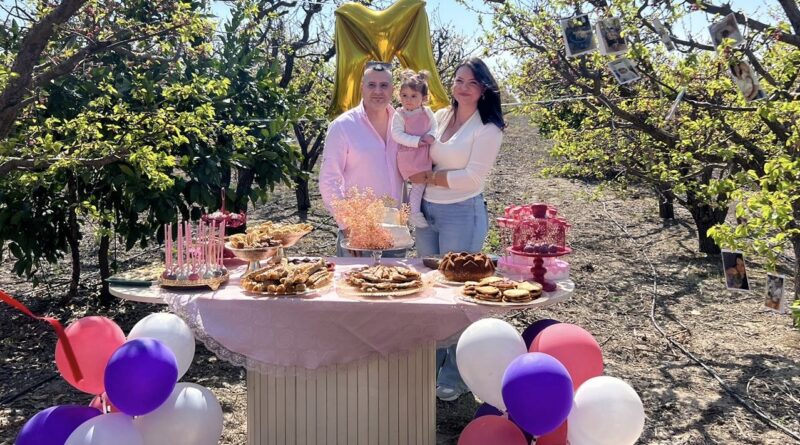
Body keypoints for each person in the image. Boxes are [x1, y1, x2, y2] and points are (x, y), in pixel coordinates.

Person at [409, 57, 506, 401]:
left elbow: (472, 178)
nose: (463, 88)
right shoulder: (439, 116)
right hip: (428, 210)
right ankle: (429, 365)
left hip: (462, 213)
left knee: (459, 293)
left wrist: (429, 177)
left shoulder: (488, 128)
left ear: (484, 89)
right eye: (458, 80)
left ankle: (456, 374)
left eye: (472, 82)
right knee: (431, 289)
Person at [318, 61, 405, 257]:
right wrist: (348, 225)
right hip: (358, 233)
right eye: (371, 85)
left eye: (384, 85)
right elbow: (329, 180)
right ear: (361, 88)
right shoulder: (342, 126)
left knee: (396, 278)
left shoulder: (403, 124)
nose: (378, 91)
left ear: (393, 90)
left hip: (395, 232)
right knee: (356, 278)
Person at [391, 69, 437, 228]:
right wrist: (417, 141)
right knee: (418, 184)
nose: (408, 100)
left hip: (424, 155)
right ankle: (414, 213)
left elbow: (435, 126)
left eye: (413, 96)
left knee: (423, 183)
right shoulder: (400, 114)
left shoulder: (427, 112)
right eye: (404, 95)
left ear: (423, 98)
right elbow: (396, 134)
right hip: (409, 156)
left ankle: (411, 210)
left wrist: (432, 135)